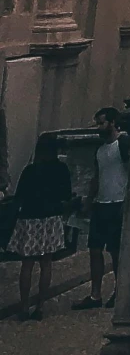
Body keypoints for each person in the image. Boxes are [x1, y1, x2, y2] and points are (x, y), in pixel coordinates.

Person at [4, 133, 74, 320]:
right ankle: (41, 305)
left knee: (27, 265)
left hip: (28, 218)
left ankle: (24, 306)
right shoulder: (61, 169)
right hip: (50, 218)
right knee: (46, 263)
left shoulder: (30, 170)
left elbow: (19, 197)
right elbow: (66, 194)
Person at [77, 107, 127, 310]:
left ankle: (120, 290)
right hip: (101, 204)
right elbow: (96, 177)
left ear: (113, 122)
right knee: (95, 250)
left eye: (102, 122)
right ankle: (95, 294)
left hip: (118, 203)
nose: (99, 127)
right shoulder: (99, 150)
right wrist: (89, 202)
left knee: (116, 251)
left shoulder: (123, 144)